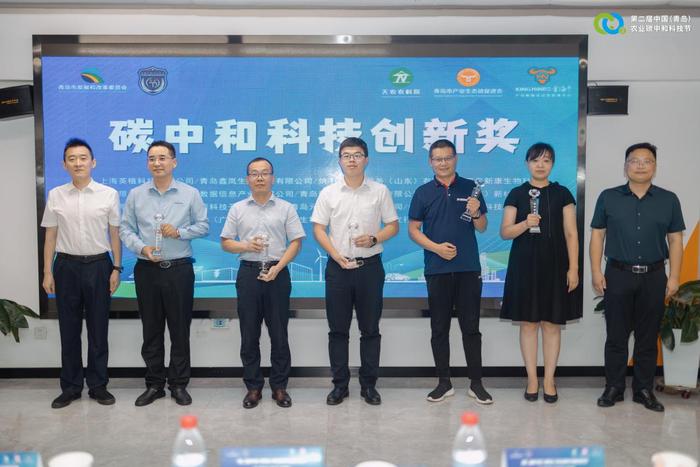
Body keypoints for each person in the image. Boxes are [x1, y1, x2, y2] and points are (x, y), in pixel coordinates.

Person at [590, 142, 684, 413]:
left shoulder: (669, 199)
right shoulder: (608, 197)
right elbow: (597, 235)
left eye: (647, 161)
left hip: (654, 277)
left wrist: (674, 277)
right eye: (635, 160)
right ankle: (614, 387)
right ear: (625, 166)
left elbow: (675, 240)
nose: (641, 165)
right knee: (616, 336)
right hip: (618, 275)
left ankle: (644, 389)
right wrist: (596, 271)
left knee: (648, 336)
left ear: (655, 166)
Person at [120, 140, 209, 407]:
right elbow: (125, 229)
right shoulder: (136, 195)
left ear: (174, 162)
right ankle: (154, 384)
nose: (157, 163)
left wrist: (179, 232)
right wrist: (142, 247)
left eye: (162, 158)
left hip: (179, 269)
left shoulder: (190, 193)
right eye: (152, 158)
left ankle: (178, 384)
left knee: (179, 330)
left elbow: (204, 226)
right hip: (146, 270)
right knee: (151, 330)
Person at [311, 137, 399, 406]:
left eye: (357, 155)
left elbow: (393, 225)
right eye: (347, 155)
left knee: (370, 329)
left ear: (366, 159)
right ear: (339, 161)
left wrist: (374, 238)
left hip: (369, 268)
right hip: (338, 268)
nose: (352, 160)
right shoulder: (328, 193)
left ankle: (369, 385)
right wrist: (335, 254)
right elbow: (318, 228)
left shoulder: (379, 191)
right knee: (338, 330)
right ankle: (340, 385)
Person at [408, 139, 493, 404]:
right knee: (439, 328)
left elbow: (482, 227)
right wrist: (436, 248)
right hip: (437, 269)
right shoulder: (423, 192)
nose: (443, 163)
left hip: (468, 268)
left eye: (447, 158)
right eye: (437, 159)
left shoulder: (471, 188)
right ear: (430, 162)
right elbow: (413, 230)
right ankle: (444, 383)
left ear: (455, 158)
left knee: (471, 328)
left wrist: (476, 213)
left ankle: (476, 384)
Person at [41, 138, 122, 409]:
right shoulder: (56, 195)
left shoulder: (108, 194)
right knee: (69, 329)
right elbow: (50, 236)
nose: (78, 163)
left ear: (93, 162)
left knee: (99, 329)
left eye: (83, 158)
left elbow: (114, 234)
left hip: (99, 266)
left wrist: (116, 268)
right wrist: (47, 271)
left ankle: (98, 386)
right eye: (72, 159)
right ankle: (71, 387)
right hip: (66, 267)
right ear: (64, 164)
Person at [499, 142, 581, 403]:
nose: (541, 165)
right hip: (524, 266)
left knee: (552, 325)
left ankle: (549, 380)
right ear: (527, 163)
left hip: (556, 266)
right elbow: (505, 232)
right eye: (536, 160)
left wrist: (574, 268)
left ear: (552, 164)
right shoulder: (516, 194)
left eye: (546, 160)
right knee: (529, 324)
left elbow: (571, 233)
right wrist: (525, 223)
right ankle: (532, 380)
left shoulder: (563, 194)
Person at [221, 157, 305, 409]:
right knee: (249, 334)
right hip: (248, 273)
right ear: (247, 179)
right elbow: (226, 242)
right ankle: (253, 387)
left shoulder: (286, 208)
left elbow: (296, 242)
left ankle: (279, 387)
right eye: (254, 173)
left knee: (279, 333)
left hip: (278, 273)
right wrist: (246, 245)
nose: (259, 177)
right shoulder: (237, 208)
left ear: (272, 177)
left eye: (264, 173)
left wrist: (278, 268)